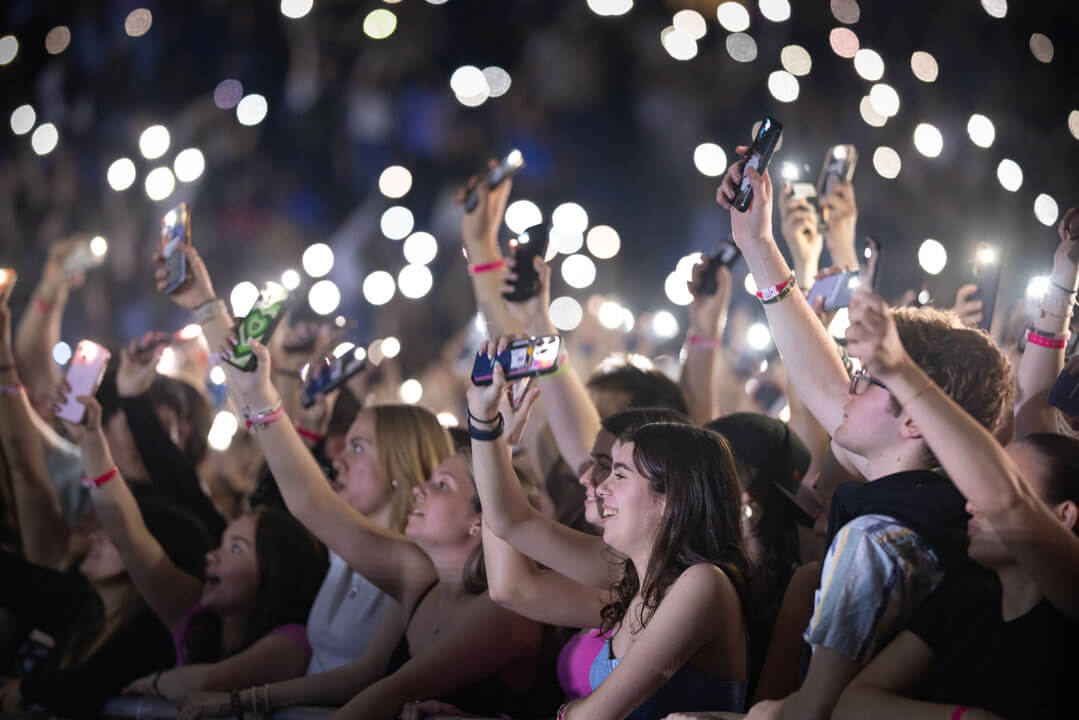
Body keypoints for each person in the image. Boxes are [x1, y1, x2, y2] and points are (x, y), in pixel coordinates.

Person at [713, 151, 1013, 720]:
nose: (846, 389)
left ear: (911, 420)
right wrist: (758, 244)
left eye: (868, 380)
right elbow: (823, 380)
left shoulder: (876, 539)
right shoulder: (940, 508)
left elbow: (816, 712)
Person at [831, 288, 1079, 719]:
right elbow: (851, 705)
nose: (974, 501)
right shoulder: (964, 600)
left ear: (1064, 516)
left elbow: (1008, 502)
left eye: (999, 480)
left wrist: (903, 372)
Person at [470, 340, 752, 719]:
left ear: (672, 496)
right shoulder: (634, 578)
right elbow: (510, 521)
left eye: (618, 473)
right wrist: (486, 427)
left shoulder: (704, 583)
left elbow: (594, 716)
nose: (598, 485)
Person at [0, 300, 211, 716]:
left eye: (111, 533)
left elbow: (83, 685)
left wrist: (29, 690)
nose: (94, 533)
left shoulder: (150, 634)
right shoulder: (83, 607)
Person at [53, 389, 327, 702]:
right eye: (222, 545)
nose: (212, 556)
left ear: (275, 571)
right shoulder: (195, 616)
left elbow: (213, 681)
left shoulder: (292, 639)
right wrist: (91, 440)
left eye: (235, 549)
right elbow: (129, 536)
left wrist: (152, 684)